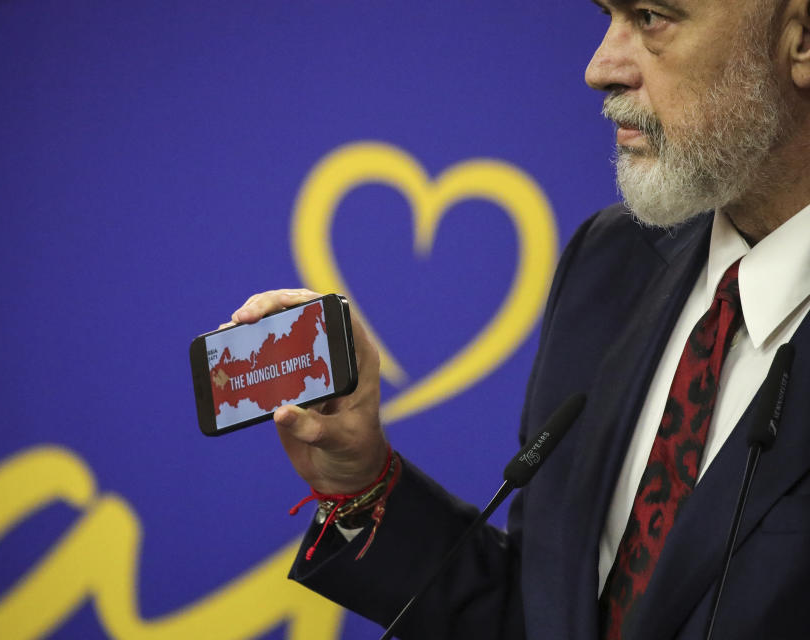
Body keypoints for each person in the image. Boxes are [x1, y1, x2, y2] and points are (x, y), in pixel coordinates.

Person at [228, 0, 810, 637]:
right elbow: (538, 621)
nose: (600, 67)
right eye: (608, 15)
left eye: (650, 17)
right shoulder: (612, 261)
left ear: (801, 40)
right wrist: (362, 481)